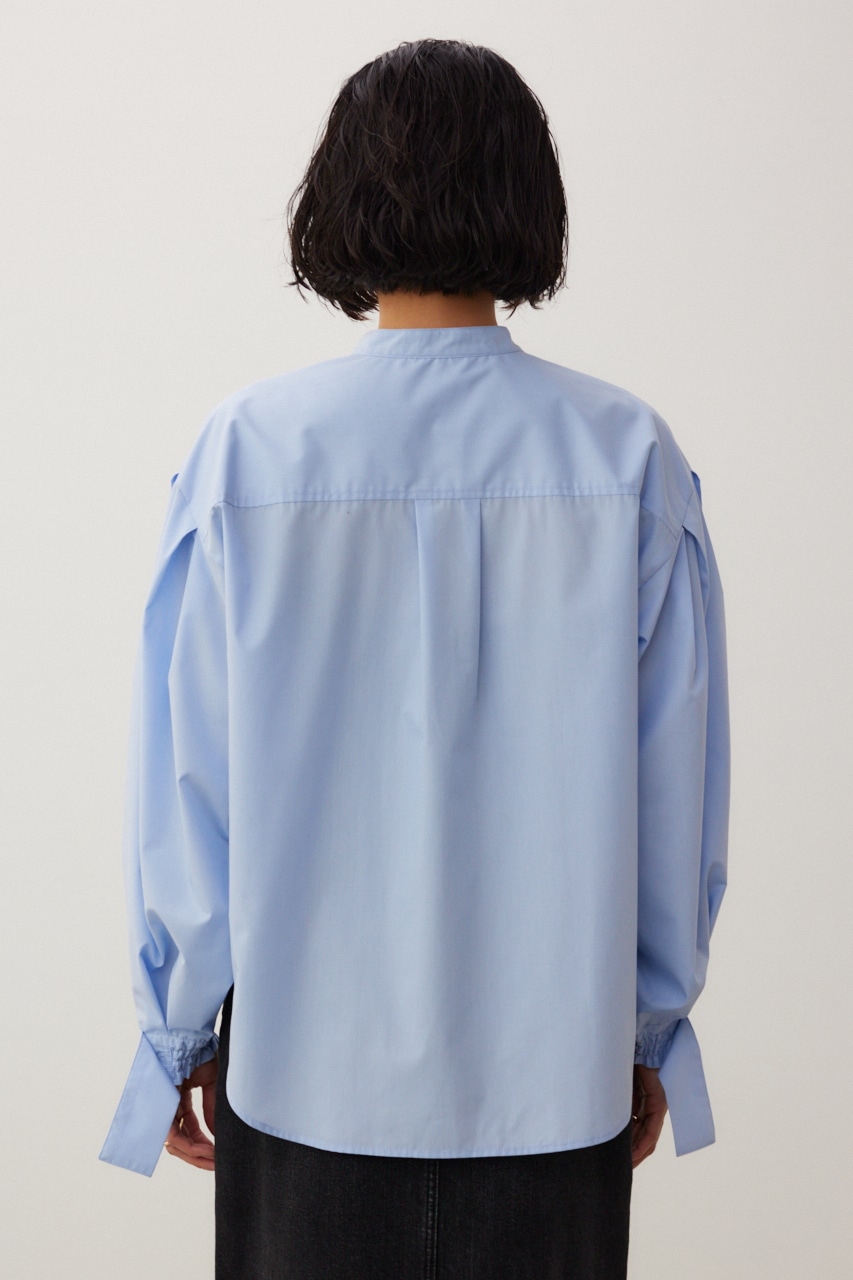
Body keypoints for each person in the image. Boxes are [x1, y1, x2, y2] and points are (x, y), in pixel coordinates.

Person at [98, 38, 730, 1280]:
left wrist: (176, 1030)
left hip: (303, 1084)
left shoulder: (248, 450)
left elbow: (189, 781)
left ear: (337, 198)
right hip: (556, 1083)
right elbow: (676, 790)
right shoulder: (627, 454)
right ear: (528, 199)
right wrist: (650, 1023)